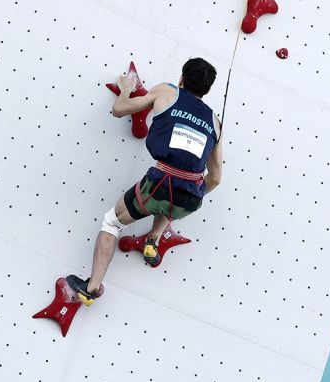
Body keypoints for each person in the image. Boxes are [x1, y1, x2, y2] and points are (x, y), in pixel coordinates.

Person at [66, 57, 224, 303]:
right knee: (171, 200)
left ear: (181, 78)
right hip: (190, 198)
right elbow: (215, 179)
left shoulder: (167, 91)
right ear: (209, 89)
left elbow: (119, 110)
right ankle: (154, 238)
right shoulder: (215, 122)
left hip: (160, 184)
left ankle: (92, 288)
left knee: (112, 223)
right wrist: (191, 189)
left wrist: (126, 90)